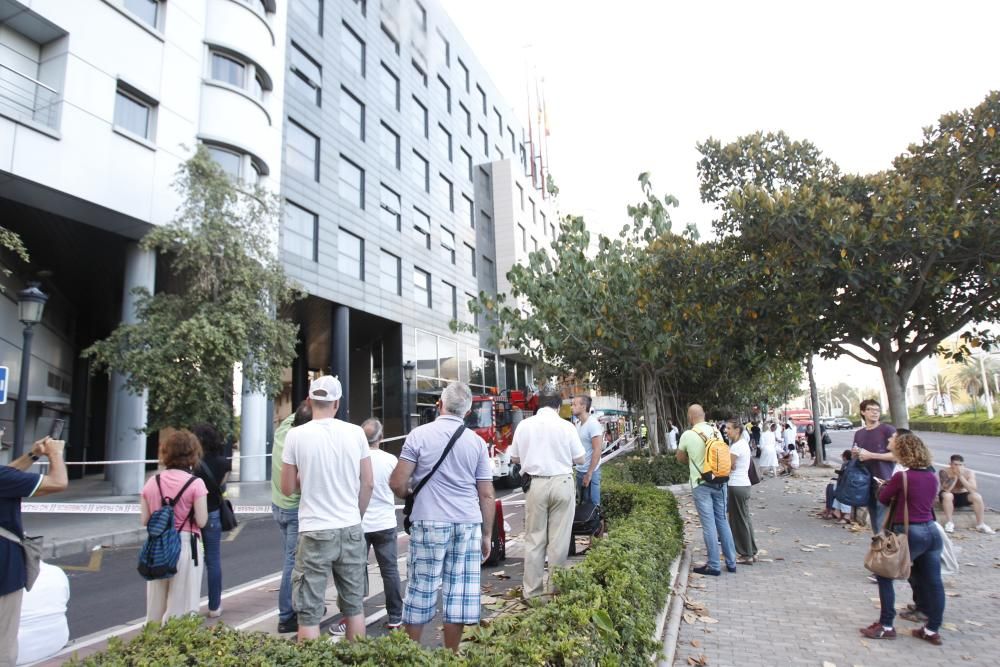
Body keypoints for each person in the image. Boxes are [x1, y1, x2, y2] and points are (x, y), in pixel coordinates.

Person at [389, 381, 495, 653]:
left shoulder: (419, 435)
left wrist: (410, 492)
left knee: (420, 590)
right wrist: (486, 535)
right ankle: (450, 655)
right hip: (468, 524)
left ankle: (411, 655)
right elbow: (485, 494)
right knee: (458, 593)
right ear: (468, 412)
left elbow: (397, 482)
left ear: (440, 404)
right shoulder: (477, 443)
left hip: (429, 522)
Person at [280, 375, 374, 642]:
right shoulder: (356, 433)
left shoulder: (296, 435)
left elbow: (287, 488)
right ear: (337, 402)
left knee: (308, 614)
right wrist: (357, 515)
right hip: (350, 527)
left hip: (314, 531)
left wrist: (305, 477)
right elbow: (368, 483)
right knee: (354, 608)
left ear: (310, 401)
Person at [860, 433, 946, 646]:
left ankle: (886, 625)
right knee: (934, 581)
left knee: (884, 574)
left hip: (908, 532)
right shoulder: (930, 475)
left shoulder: (902, 477)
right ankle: (932, 628)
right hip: (932, 531)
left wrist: (883, 486)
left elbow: (883, 498)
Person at [509, 386, 586, 598]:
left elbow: (514, 458)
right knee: (559, 540)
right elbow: (580, 458)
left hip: (535, 485)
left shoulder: (524, 425)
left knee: (535, 539)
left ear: (538, 404)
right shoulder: (566, 426)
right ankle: (555, 591)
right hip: (562, 482)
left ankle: (532, 593)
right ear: (558, 406)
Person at [1, 436, 68, 667]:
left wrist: (32, 455)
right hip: (4, 572)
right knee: (3, 644)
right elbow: (58, 483)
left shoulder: (4, 477)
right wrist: (55, 453)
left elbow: (8, 474)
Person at [141, 430, 209, 625]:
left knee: (155, 605)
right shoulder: (196, 484)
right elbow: (202, 521)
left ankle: (151, 645)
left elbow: (145, 519)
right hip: (187, 545)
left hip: (157, 546)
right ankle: (174, 649)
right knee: (183, 607)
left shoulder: (152, 482)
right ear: (192, 453)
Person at [677, 404, 737, 576]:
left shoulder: (688, 435)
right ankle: (731, 562)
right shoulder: (716, 431)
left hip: (701, 483)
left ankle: (714, 565)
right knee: (722, 521)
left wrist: (692, 457)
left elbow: (680, 458)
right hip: (720, 481)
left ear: (690, 417)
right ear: (704, 415)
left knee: (708, 525)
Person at [270, 401, 311, 634]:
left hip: (278, 506)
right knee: (293, 563)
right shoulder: (299, 443)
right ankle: (286, 615)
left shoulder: (284, 427)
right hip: (294, 508)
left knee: (294, 560)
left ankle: (298, 605)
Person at [358, 418, 403, 631]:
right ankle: (395, 615)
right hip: (385, 522)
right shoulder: (390, 460)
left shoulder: (355, 459)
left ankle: (353, 616)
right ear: (381, 438)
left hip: (360, 523)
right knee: (390, 571)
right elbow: (399, 487)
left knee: (355, 571)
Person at [191, 423, 231, 619]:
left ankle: (188, 606)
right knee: (213, 561)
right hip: (213, 513)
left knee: (191, 561)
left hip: (190, 517)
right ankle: (214, 606)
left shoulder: (191, 463)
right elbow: (221, 488)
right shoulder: (224, 463)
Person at [852, 399, 896, 535]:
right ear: (863, 412)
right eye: (871, 409)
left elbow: (897, 455)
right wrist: (855, 454)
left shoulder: (887, 430)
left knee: (884, 518)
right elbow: (857, 456)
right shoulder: (859, 433)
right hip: (865, 482)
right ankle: (878, 545)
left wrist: (872, 455)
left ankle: (886, 547)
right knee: (874, 516)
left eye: (877, 410)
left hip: (884, 481)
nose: (875, 413)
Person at [725, 420, 757, 564]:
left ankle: (746, 553)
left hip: (736, 485)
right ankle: (751, 551)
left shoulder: (736, 447)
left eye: (729, 428)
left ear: (737, 430)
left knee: (738, 521)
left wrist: (729, 464)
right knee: (745, 519)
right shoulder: (743, 444)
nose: (727, 431)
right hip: (743, 484)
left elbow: (727, 466)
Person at [939, 455, 995, 534]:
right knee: (948, 495)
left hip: (963, 495)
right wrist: (955, 476)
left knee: (977, 496)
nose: (958, 467)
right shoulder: (944, 471)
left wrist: (961, 476)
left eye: (960, 465)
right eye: (955, 464)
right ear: (950, 464)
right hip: (949, 496)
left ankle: (980, 524)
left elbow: (972, 490)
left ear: (964, 465)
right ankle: (949, 523)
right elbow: (947, 489)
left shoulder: (969, 473)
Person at [571, 395, 603, 507]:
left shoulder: (593, 424)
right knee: (583, 506)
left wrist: (589, 474)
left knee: (594, 507)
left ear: (583, 407)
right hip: (580, 472)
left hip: (591, 473)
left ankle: (599, 524)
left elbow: (597, 450)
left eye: (575, 404)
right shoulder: (578, 425)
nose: (572, 407)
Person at [821, 450, 854, 522]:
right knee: (830, 487)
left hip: (847, 485)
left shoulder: (848, 465)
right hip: (844, 483)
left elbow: (845, 476)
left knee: (831, 489)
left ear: (845, 457)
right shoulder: (847, 464)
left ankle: (830, 510)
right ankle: (829, 509)